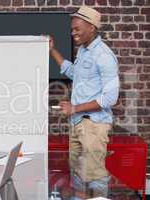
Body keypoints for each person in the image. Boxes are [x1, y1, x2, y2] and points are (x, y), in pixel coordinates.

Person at [49, 6, 120, 198]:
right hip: (78, 123)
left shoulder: (104, 56)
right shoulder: (83, 51)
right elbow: (73, 73)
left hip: (94, 126)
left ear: (92, 27)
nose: (73, 33)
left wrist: (74, 108)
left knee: (95, 176)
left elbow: (110, 98)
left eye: (77, 29)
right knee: (78, 174)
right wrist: (52, 50)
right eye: (72, 29)